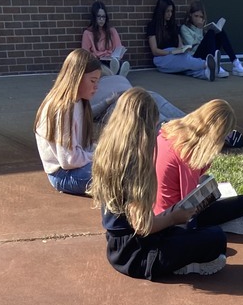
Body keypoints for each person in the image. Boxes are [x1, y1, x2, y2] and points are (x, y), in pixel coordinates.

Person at [91, 88, 228, 279]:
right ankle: (180, 265)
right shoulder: (136, 164)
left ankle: (182, 257)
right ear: (146, 129)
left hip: (119, 246)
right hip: (138, 255)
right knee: (216, 237)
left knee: (203, 234)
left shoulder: (109, 153)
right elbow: (142, 226)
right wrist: (174, 218)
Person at [156, 99, 243, 236]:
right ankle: (217, 226)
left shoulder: (169, 132)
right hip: (172, 220)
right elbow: (189, 205)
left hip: (153, 208)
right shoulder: (188, 154)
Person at [34, 49, 102, 196]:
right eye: (92, 81)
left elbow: (84, 147)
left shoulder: (80, 103)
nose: (96, 87)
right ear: (76, 78)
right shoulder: (62, 109)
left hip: (78, 167)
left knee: (122, 165)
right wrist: (100, 155)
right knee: (116, 175)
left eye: (98, 81)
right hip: (63, 175)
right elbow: (69, 160)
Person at [146, 0, 216, 81]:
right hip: (162, 57)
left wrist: (183, 49)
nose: (170, 14)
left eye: (171, 11)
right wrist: (171, 52)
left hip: (176, 55)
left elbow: (180, 45)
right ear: (161, 11)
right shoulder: (152, 26)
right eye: (167, 11)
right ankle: (207, 64)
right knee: (185, 60)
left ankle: (206, 74)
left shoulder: (173, 26)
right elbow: (155, 51)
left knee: (185, 65)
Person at [179, 2, 243, 78]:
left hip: (208, 53)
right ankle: (215, 65)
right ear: (190, 15)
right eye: (196, 16)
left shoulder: (202, 26)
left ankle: (235, 62)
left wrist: (204, 30)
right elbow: (194, 47)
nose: (198, 19)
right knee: (211, 32)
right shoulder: (184, 28)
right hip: (195, 56)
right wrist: (200, 29)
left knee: (220, 31)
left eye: (201, 17)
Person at [81, 1, 130, 78]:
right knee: (99, 66)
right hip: (97, 60)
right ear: (94, 17)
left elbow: (118, 48)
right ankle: (116, 74)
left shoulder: (112, 31)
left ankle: (115, 72)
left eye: (103, 17)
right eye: (99, 16)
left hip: (112, 59)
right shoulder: (87, 33)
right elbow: (85, 53)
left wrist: (115, 57)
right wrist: (96, 57)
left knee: (119, 63)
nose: (101, 19)